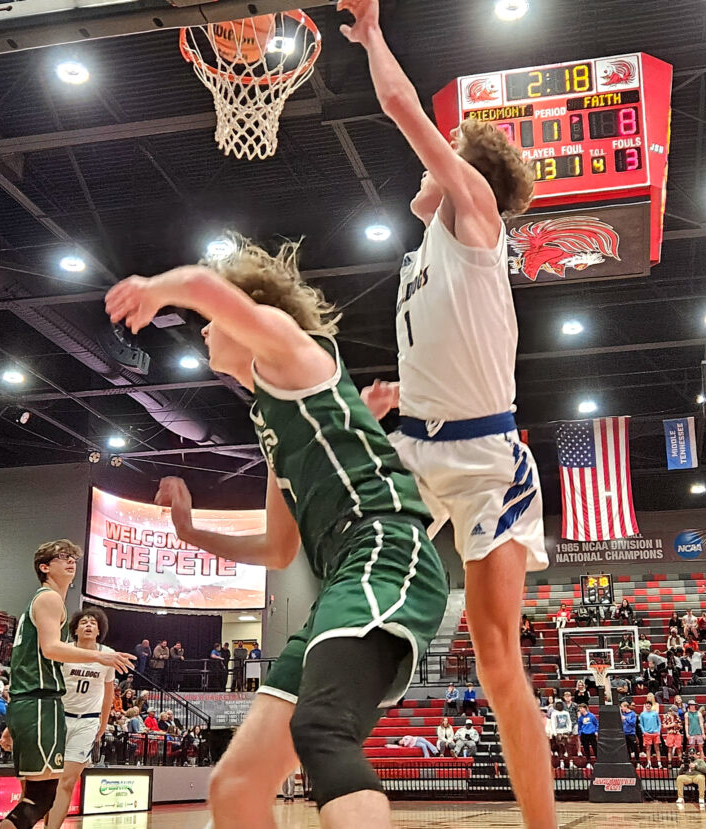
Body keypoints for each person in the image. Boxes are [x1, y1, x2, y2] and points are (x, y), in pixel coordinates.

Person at [106, 241, 448, 829]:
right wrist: (190, 532)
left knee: (322, 732)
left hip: (385, 549)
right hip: (341, 576)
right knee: (236, 785)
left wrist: (162, 287)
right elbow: (278, 549)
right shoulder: (270, 419)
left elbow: (206, 286)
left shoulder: (293, 352)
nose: (207, 331)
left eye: (212, 322)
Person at [342, 1, 552, 824]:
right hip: (415, 452)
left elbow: (400, 108)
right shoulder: (423, 251)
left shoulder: (475, 216)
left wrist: (371, 34)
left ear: (466, 170)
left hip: (486, 462)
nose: (421, 170)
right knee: (346, 598)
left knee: (499, 662)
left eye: (443, 157)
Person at [0, 541, 133, 829]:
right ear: (44, 567)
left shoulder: (46, 600)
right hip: (38, 703)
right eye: (61, 557)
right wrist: (99, 656)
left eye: (73, 557)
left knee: (39, 797)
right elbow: (50, 649)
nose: (70, 561)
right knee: (40, 799)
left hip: (36, 705)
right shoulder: (49, 599)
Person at [45, 607, 117, 829]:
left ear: (99, 631)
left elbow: (108, 695)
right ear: (75, 629)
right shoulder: (64, 650)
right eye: (84, 622)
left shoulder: (108, 655)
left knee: (67, 781)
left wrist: (103, 725)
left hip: (87, 722)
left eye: (93, 623)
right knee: (48, 780)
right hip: (58, 717)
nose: (88, 625)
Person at [639, 699, 662, 768]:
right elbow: (641, 724)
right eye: (647, 705)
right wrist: (644, 732)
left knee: (657, 748)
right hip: (647, 734)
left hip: (655, 733)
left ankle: (659, 763)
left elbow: (659, 723)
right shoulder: (642, 714)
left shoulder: (655, 713)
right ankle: (649, 763)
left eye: (649, 705)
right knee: (648, 748)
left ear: (651, 706)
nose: (648, 706)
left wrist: (658, 731)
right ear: (645, 706)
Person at [620, 701, 639, 766]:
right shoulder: (622, 714)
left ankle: (638, 762)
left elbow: (633, 723)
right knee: (627, 749)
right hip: (625, 733)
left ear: (625, 707)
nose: (621, 709)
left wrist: (626, 719)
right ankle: (629, 762)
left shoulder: (632, 714)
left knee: (635, 748)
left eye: (622, 707)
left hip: (631, 733)